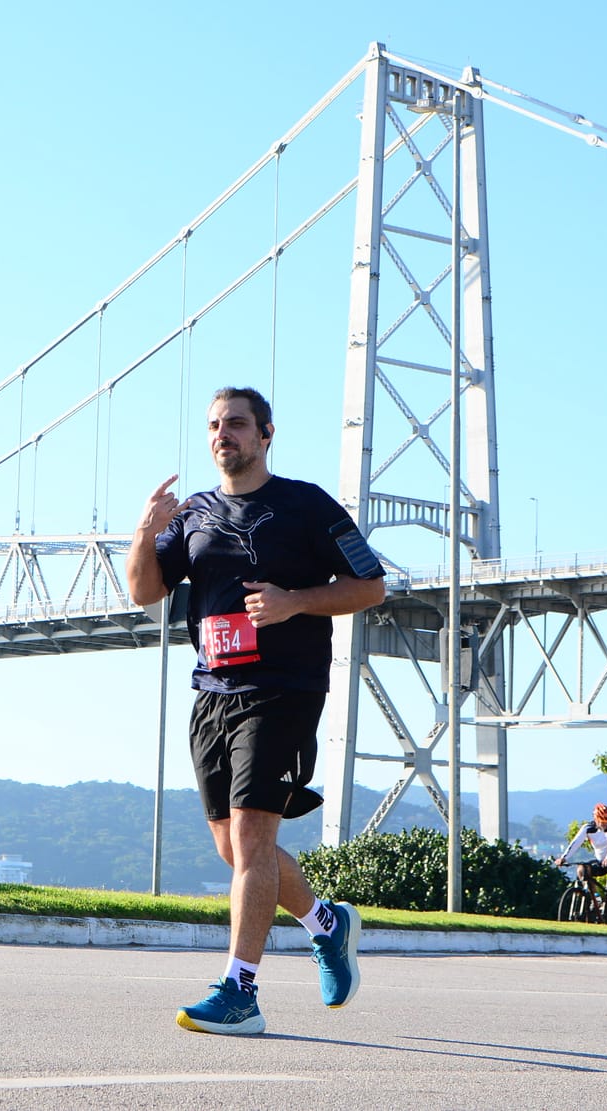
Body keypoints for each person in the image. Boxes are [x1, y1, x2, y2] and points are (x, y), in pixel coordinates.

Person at [127, 386, 387, 1036]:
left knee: (251, 840)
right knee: (237, 849)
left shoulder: (305, 505)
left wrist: (294, 600)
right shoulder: (193, 515)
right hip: (213, 691)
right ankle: (328, 924)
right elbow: (143, 592)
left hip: (285, 689)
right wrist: (145, 529)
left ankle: (240, 989)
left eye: (237, 424)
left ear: (266, 433)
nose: (224, 434)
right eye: (215, 424)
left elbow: (372, 584)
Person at [556, 803, 607, 925]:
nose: (605, 824)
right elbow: (576, 843)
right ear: (595, 819)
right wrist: (563, 858)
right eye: (602, 821)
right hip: (601, 861)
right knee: (582, 870)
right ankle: (596, 899)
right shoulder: (588, 828)